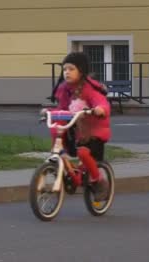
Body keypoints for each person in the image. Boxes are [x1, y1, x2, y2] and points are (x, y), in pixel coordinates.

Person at [50, 52, 111, 200]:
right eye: (65, 69)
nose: (67, 72)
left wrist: (100, 109)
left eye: (71, 69)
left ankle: (99, 181)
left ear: (81, 71)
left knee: (84, 153)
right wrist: (50, 112)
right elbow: (63, 107)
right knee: (55, 126)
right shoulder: (65, 89)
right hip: (76, 128)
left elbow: (101, 102)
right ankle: (61, 159)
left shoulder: (89, 88)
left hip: (93, 131)